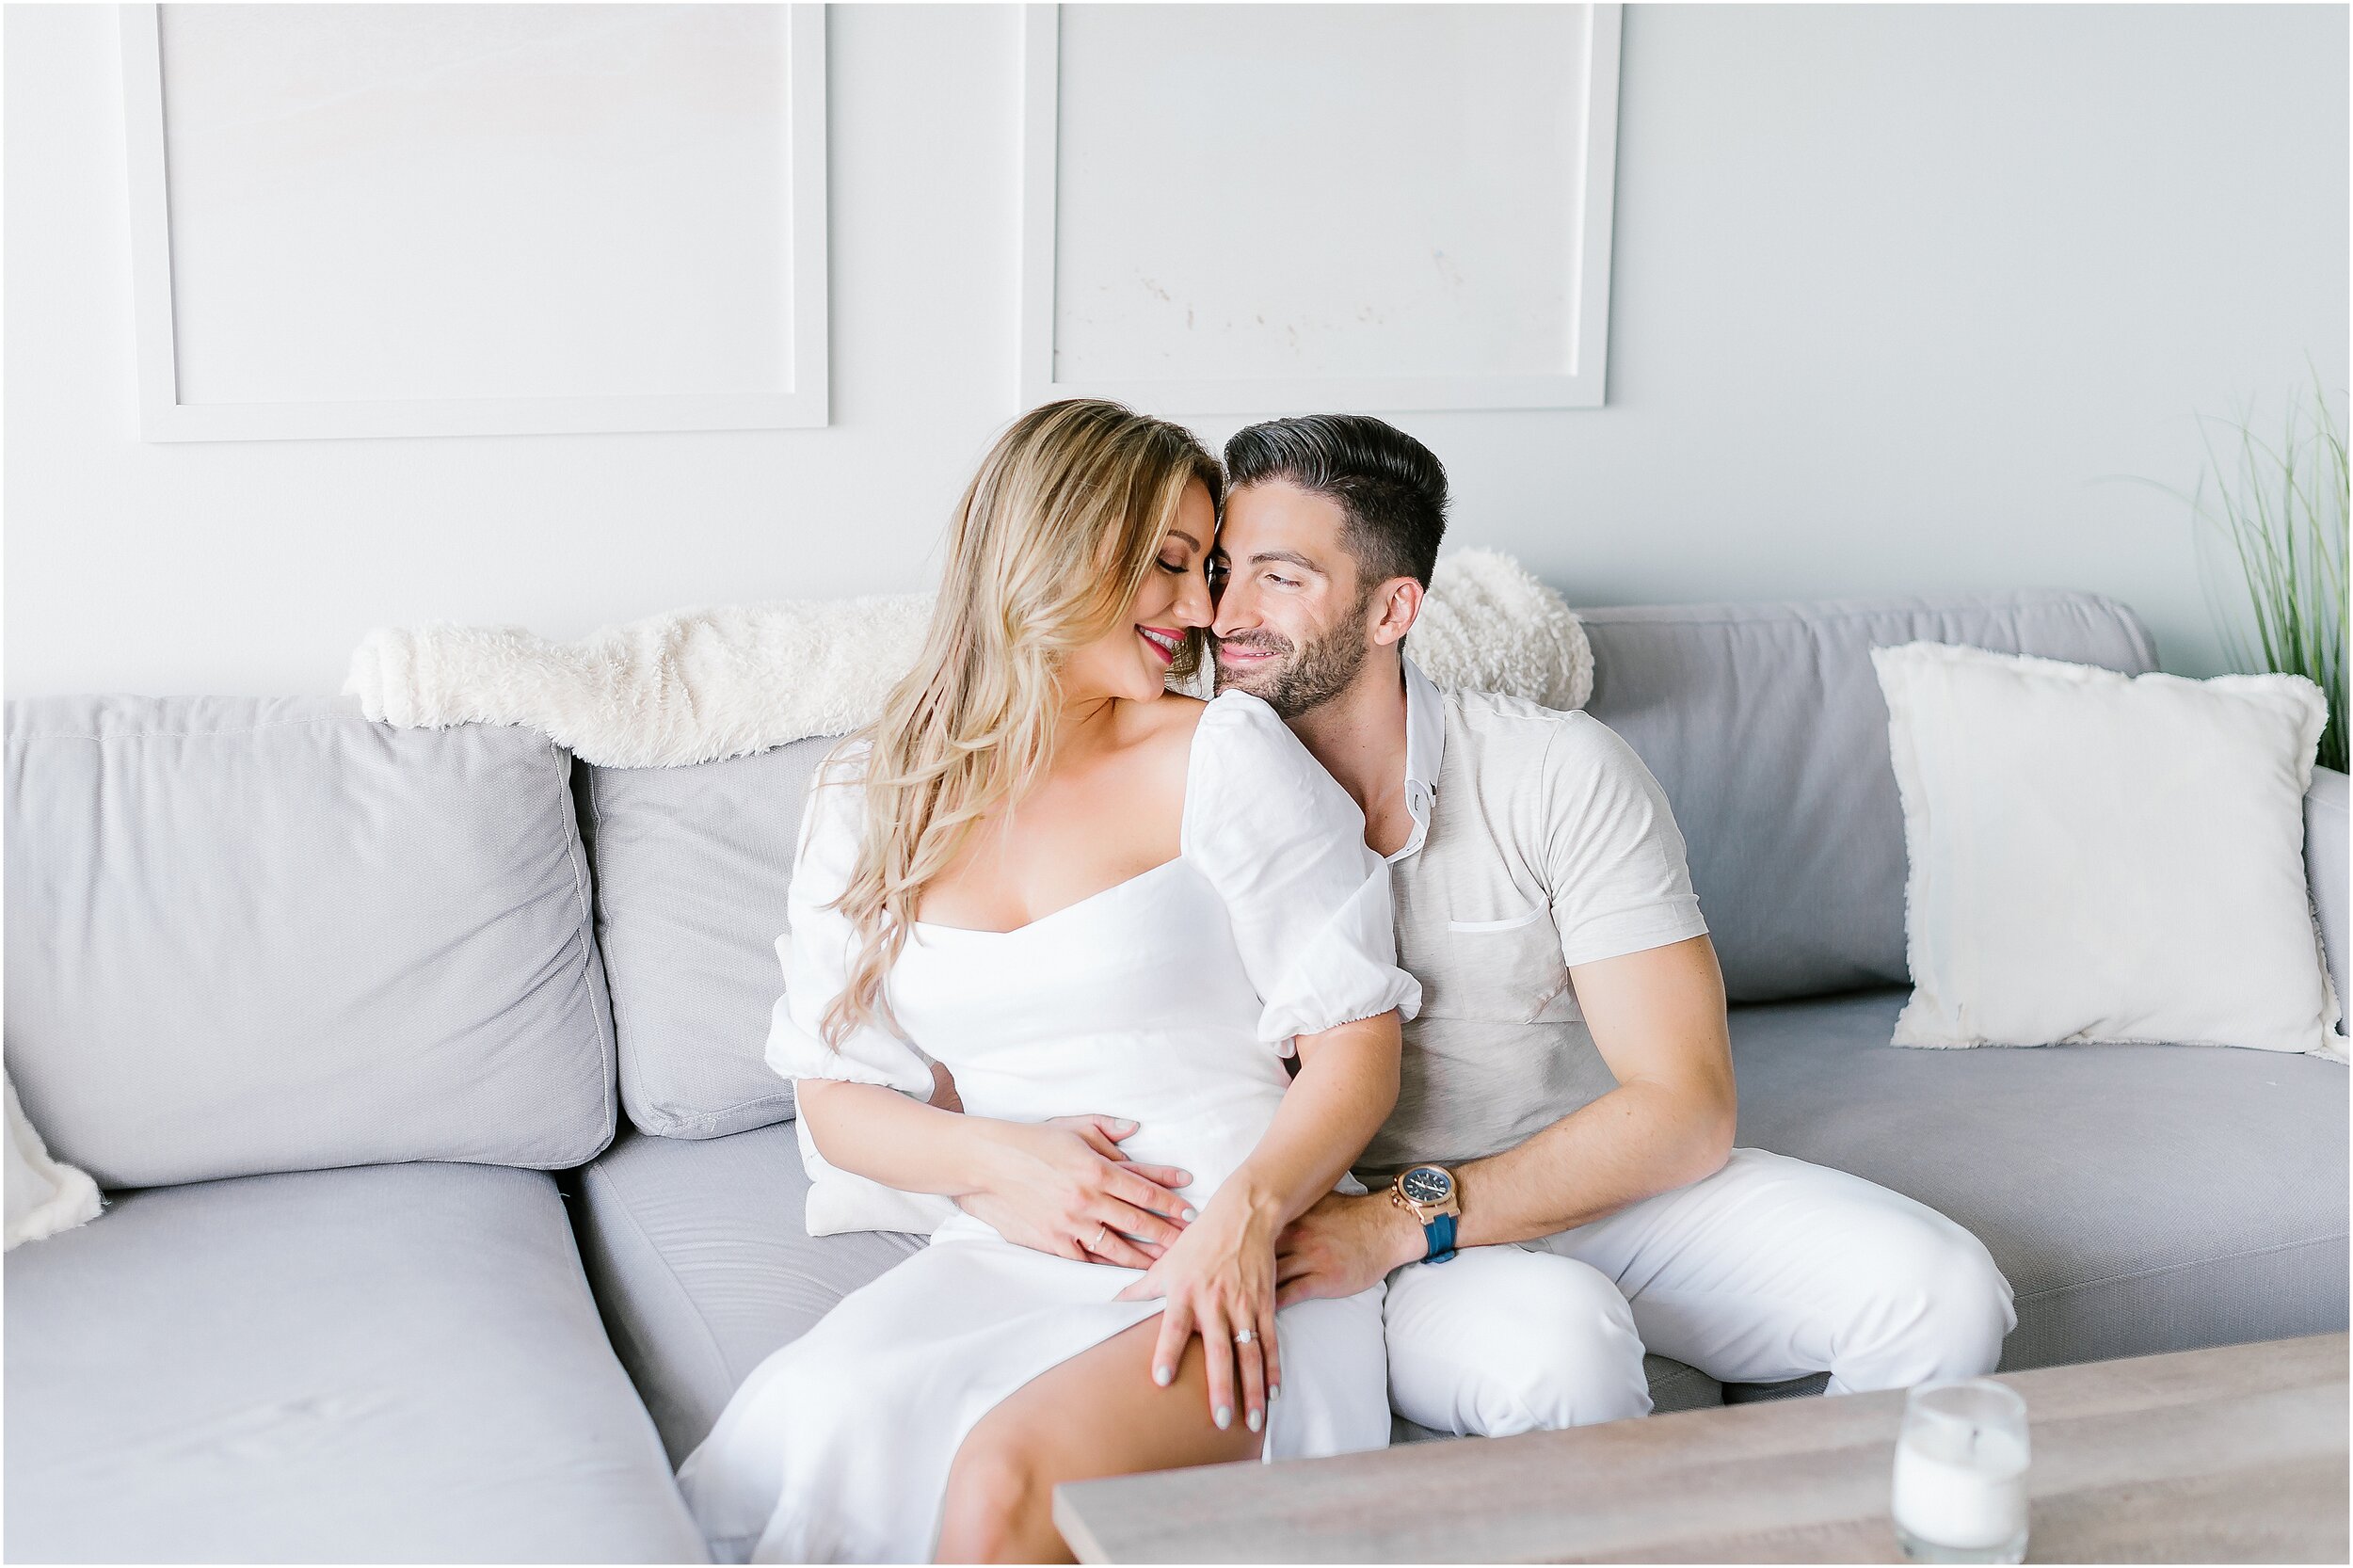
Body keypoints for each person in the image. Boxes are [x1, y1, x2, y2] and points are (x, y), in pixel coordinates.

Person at [675, 400, 1418, 1565]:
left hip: (1230, 1247)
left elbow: (1358, 1040)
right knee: (814, 1426)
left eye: (1209, 568)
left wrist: (1243, 1220)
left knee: (1005, 1480)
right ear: (1054, 553)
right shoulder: (870, 798)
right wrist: (1001, 1163)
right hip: (1007, 1247)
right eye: (1168, 566)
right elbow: (834, 1096)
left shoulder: (1218, 753)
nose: (1199, 610)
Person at [1208, 413, 2018, 1437]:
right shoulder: (1183, 787)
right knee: (1561, 1345)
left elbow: (1684, 1107)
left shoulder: (1556, 771)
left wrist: (1401, 1218)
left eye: (1279, 578)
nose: (1227, 612)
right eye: (1223, 570)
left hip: (1583, 1182)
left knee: (1941, 1289)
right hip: (1357, 1234)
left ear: (1390, 608)